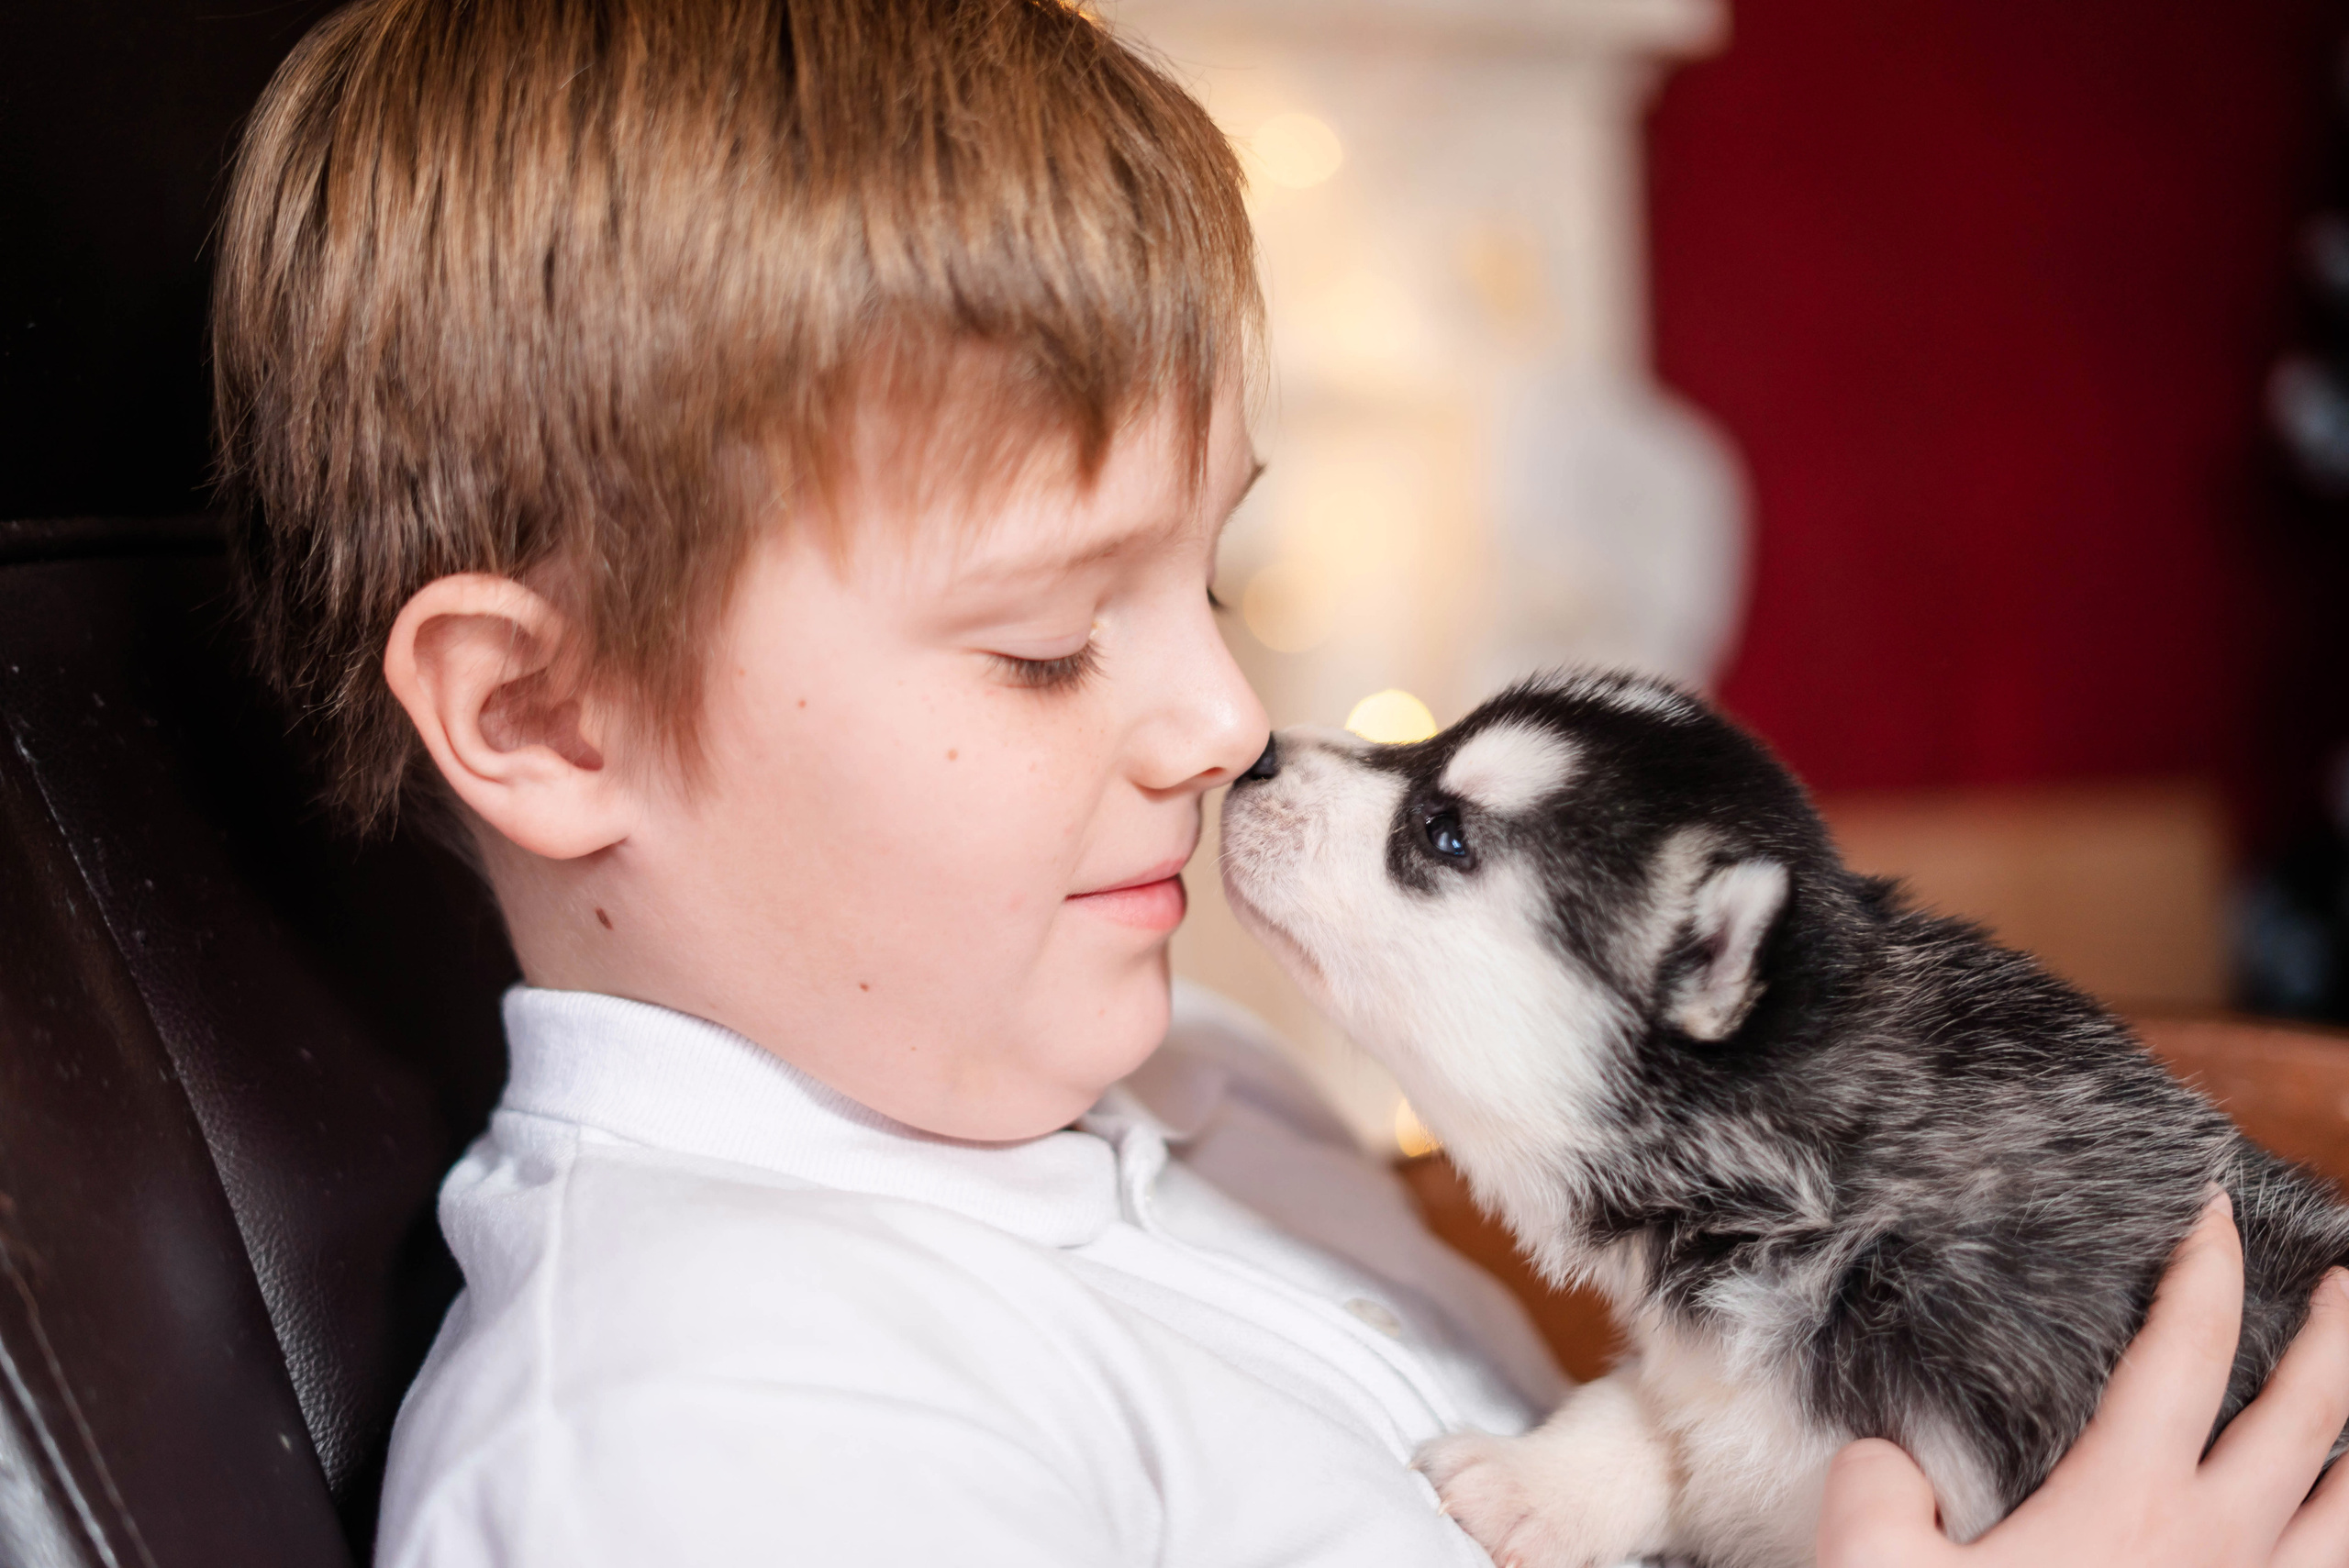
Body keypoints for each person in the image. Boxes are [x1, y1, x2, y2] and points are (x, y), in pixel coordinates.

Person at [208, 1, 2349, 1562]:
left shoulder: (1197, 1087)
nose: (1227, 719)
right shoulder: (696, 1439)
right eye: (1044, 641)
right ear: (542, 720)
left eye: (1206, 576)